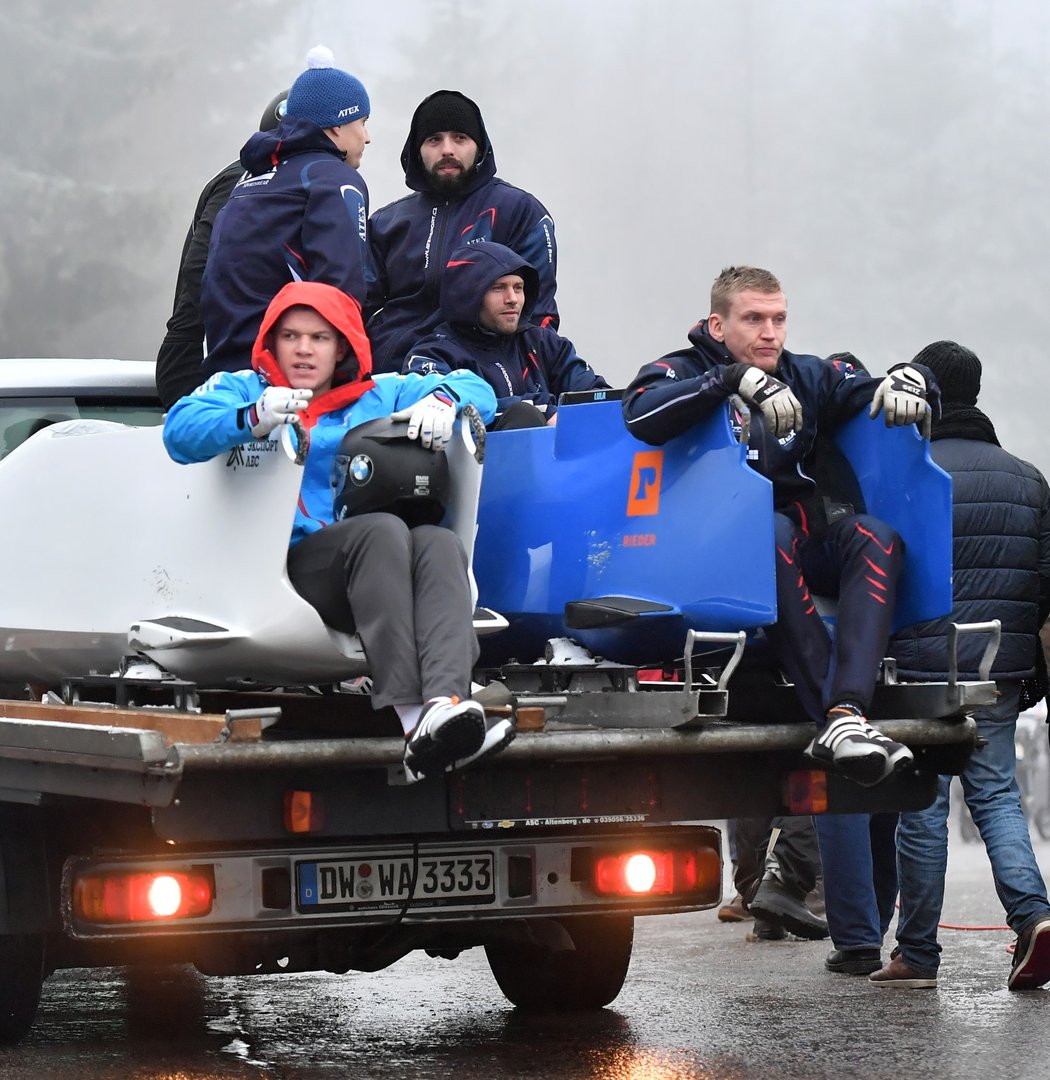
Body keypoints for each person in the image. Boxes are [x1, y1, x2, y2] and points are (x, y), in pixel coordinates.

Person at [164, 280, 508, 782]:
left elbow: (481, 389)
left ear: (343, 345)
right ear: (272, 343)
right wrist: (253, 417)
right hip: (292, 572)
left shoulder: (382, 391)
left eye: (320, 338)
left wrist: (444, 400)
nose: (304, 349)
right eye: (291, 336)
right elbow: (181, 431)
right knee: (383, 530)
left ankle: (445, 706)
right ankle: (414, 724)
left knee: (437, 540)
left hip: (380, 565)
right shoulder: (245, 387)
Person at [622, 265, 937, 787]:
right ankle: (840, 718)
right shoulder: (681, 368)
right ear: (718, 326)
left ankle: (844, 716)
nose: (770, 333)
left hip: (794, 541)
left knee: (874, 536)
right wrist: (731, 381)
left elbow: (872, 390)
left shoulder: (807, 375)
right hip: (708, 552)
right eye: (753, 319)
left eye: (779, 319)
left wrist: (916, 380)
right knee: (765, 530)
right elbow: (639, 414)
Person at [870, 340, 1050, 990]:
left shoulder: (908, 474)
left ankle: (916, 955)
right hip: (997, 668)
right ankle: (1033, 918)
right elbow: (1044, 586)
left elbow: (878, 574)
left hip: (921, 669)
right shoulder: (1028, 479)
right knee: (998, 793)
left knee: (921, 805)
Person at [200, 46, 372, 379]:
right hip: (289, 377)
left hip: (226, 372)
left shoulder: (250, 179)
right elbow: (340, 289)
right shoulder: (335, 179)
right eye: (362, 122)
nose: (367, 137)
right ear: (337, 125)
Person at [366, 90, 558, 373]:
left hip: (482, 382)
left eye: (460, 138)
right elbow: (356, 307)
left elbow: (539, 316)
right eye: (434, 140)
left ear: (479, 148)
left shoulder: (519, 211)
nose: (447, 150)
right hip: (391, 380)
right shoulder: (387, 222)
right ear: (416, 151)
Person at [156, 89, 289, 410]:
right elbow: (200, 268)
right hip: (199, 358)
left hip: (204, 352)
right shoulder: (247, 180)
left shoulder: (262, 178)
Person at [402, 241, 608, 428]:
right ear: (468, 295)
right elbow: (440, 409)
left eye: (518, 288)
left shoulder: (544, 343)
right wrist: (542, 409)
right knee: (524, 415)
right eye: (498, 288)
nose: (513, 299)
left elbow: (597, 397)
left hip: (559, 467)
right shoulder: (432, 354)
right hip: (478, 466)